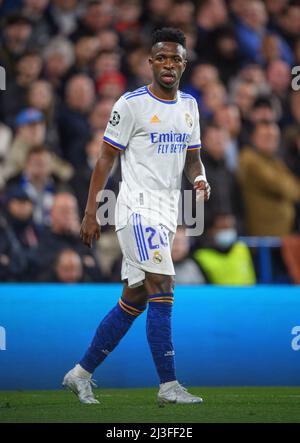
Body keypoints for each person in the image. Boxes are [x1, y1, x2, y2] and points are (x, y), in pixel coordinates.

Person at [63, 27, 210, 405]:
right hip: (135, 210)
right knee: (163, 285)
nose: (168, 64)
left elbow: (192, 159)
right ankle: (169, 386)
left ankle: (80, 373)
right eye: (161, 57)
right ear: (150, 62)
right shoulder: (130, 105)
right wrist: (91, 211)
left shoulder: (190, 107)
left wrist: (200, 179)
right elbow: (105, 159)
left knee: (135, 299)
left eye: (175, 58)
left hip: (166, 214)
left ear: (184, 64)